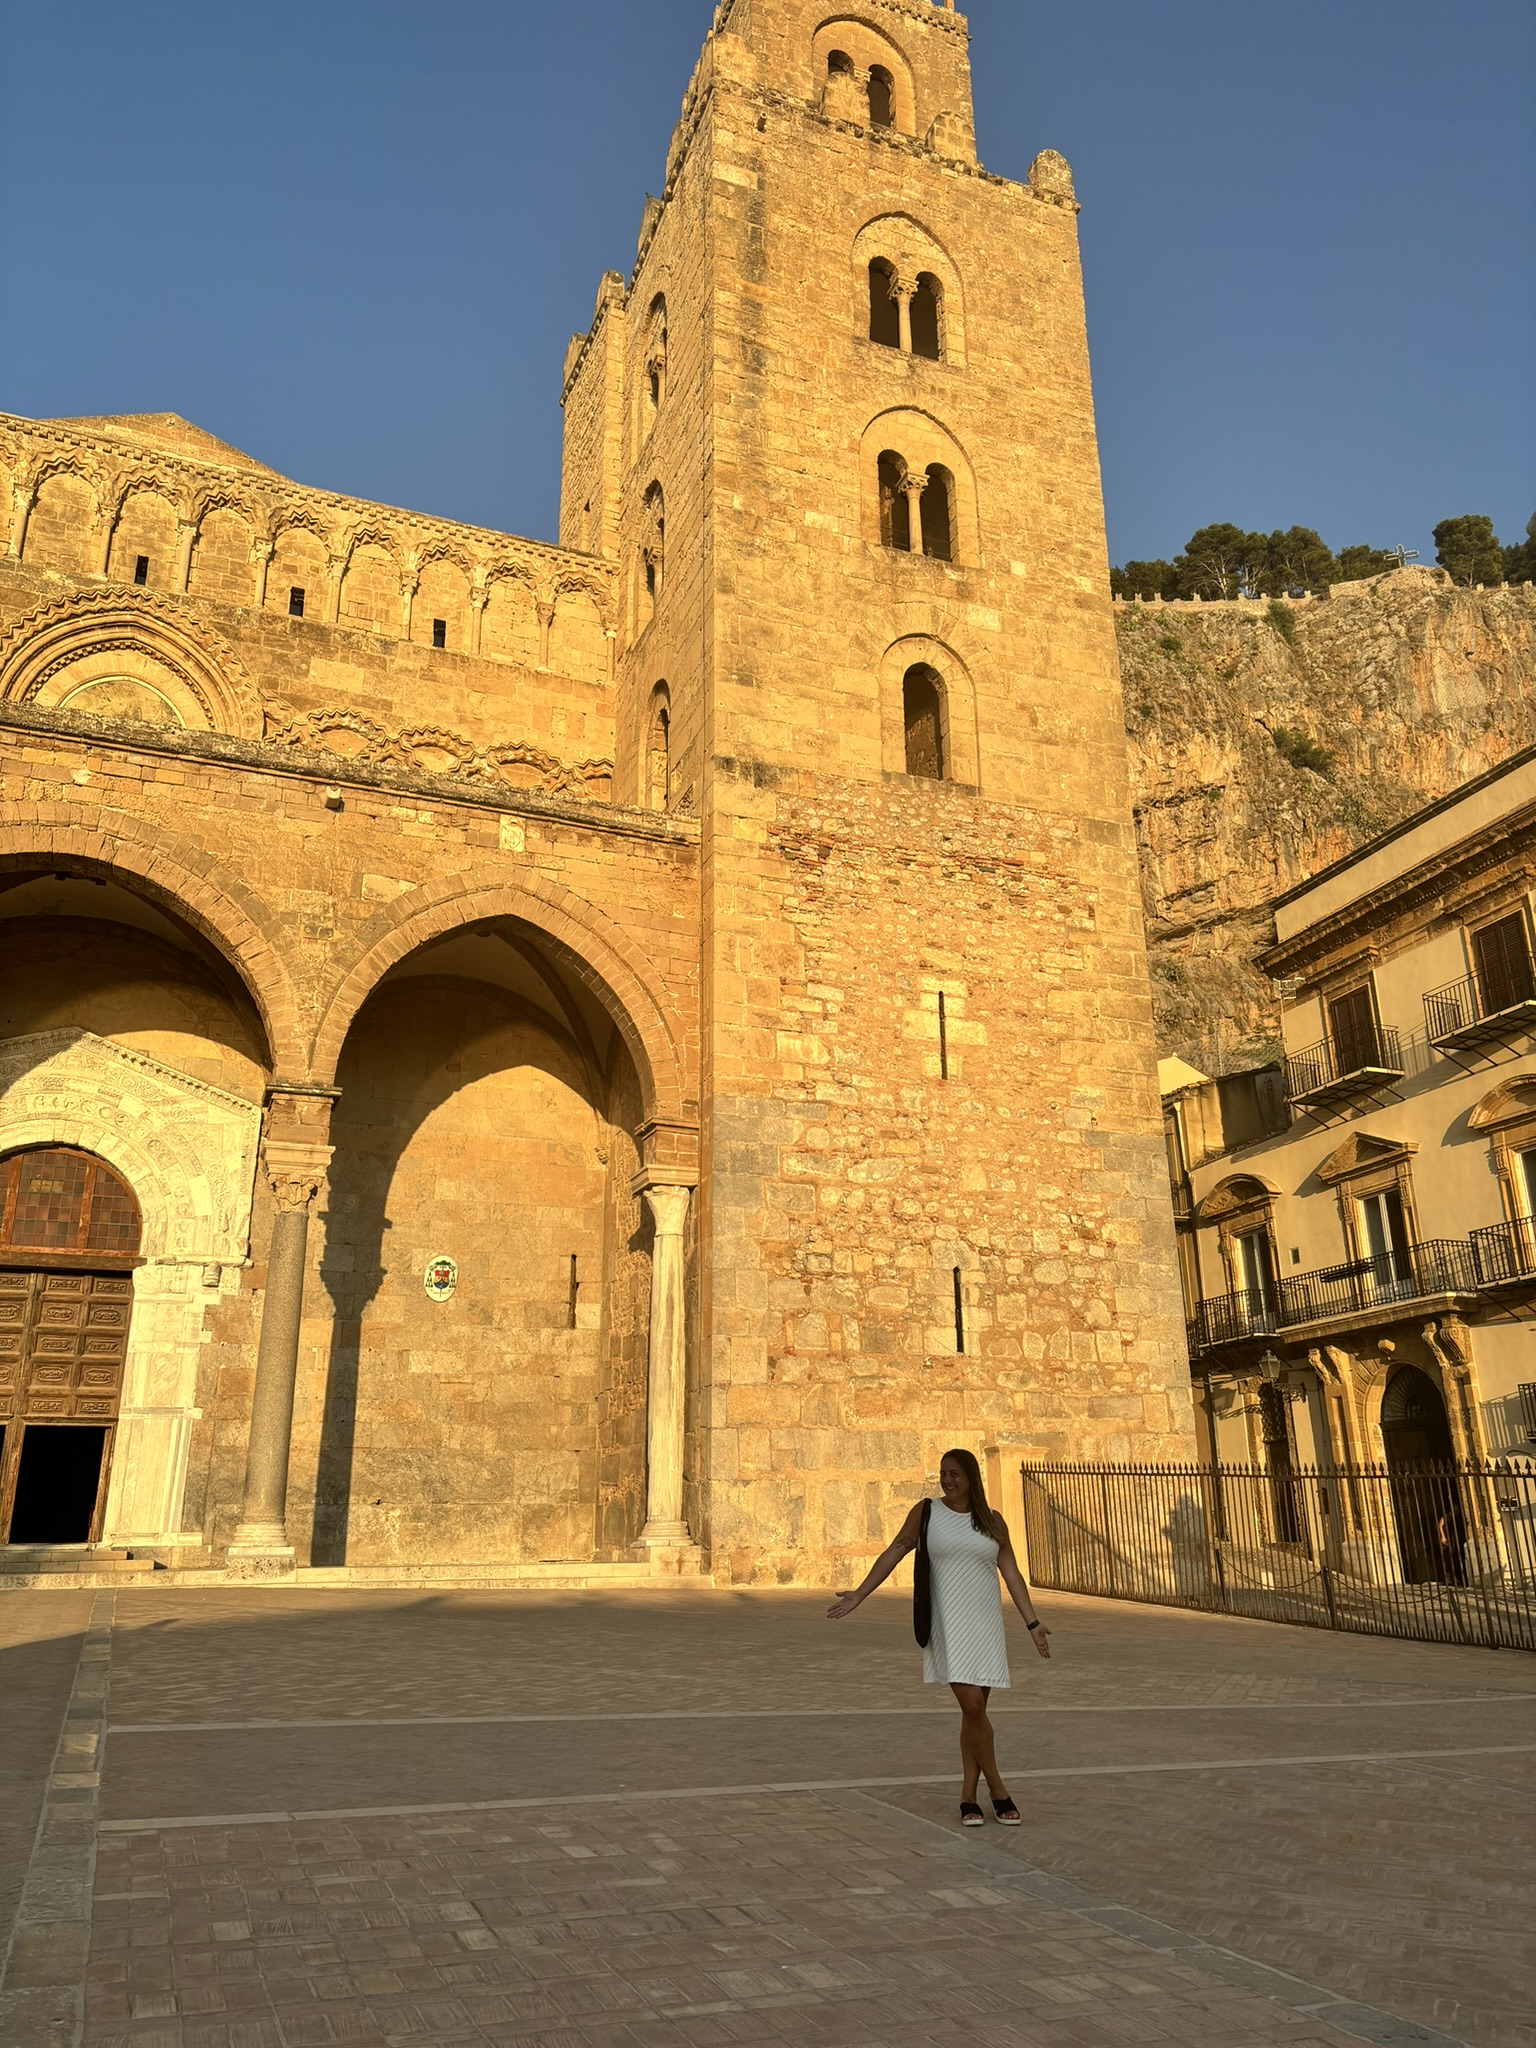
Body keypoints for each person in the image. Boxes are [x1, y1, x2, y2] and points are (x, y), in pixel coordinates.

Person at [827, 1447, 1051, 1827]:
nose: (947, 1481)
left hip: (985, 1627)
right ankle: (998, 1789)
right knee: (974, 1708)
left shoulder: (993, 1522)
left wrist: (1032, 1623)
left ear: (971, 1478)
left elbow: (1011, 1573)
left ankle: (967, 1797)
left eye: (954, 1474)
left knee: (973, 1714)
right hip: (947, 1625)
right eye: (943, 1474)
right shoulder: (927, 1512)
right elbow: (895, 1550)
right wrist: (860, 1594)